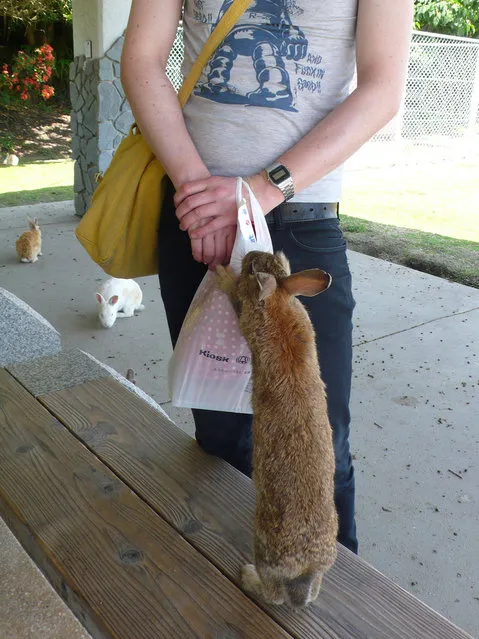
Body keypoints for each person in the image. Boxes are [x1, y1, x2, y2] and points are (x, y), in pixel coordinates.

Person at [121, 0, 414, 554]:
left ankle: (338, 608)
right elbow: (140, 60)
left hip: (296, 222)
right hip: (196, 219)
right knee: (220, 432)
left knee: (317, 440)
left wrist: (259, 191)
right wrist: (199, 195)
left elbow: (381, 91)